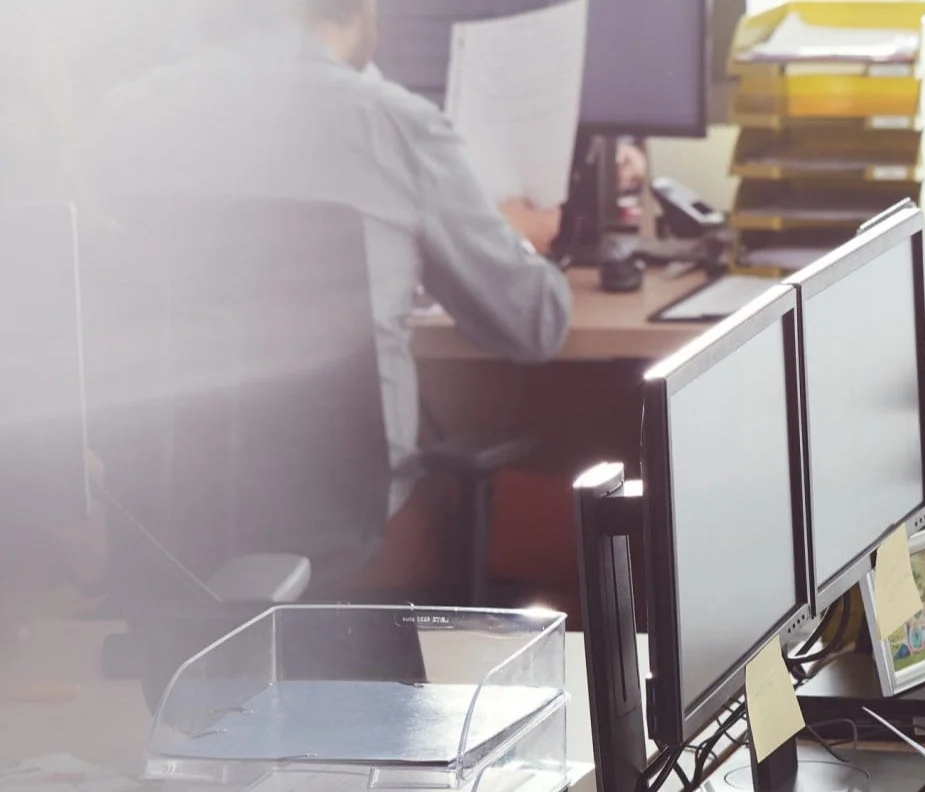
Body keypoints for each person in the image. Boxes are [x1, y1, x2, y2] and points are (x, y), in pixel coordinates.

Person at [93, 0, 571, 511]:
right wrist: (511, 234)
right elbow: (536, 324)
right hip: (347, 524)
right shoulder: (391, 124)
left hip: (163, 517)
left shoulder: (125, 114)